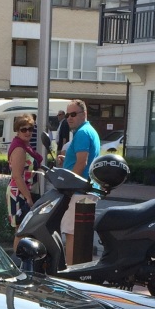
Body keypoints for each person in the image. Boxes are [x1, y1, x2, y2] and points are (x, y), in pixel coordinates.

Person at [60, 100, 102, 260]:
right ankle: (80, 271)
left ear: (84, 114)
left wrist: (68, 187)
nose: (69, 118)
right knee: (81, 234)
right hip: (88, 189)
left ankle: (71, 273)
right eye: (67, 115)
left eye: (73, 114)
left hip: (78, 191)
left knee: (72, 234)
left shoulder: (82, 133)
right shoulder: (90, 131)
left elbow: (82, 162)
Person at [6, 115, 42, 229]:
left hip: (25, 191)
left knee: (26, 230)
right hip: (19, 193)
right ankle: (18, 248)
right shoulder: (19, 149)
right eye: (23, 129)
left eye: (30, 129)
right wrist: (28, 198)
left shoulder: (25, 146)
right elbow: (17, 176)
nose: (27, 132)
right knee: (21, 230)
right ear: (17, 130)